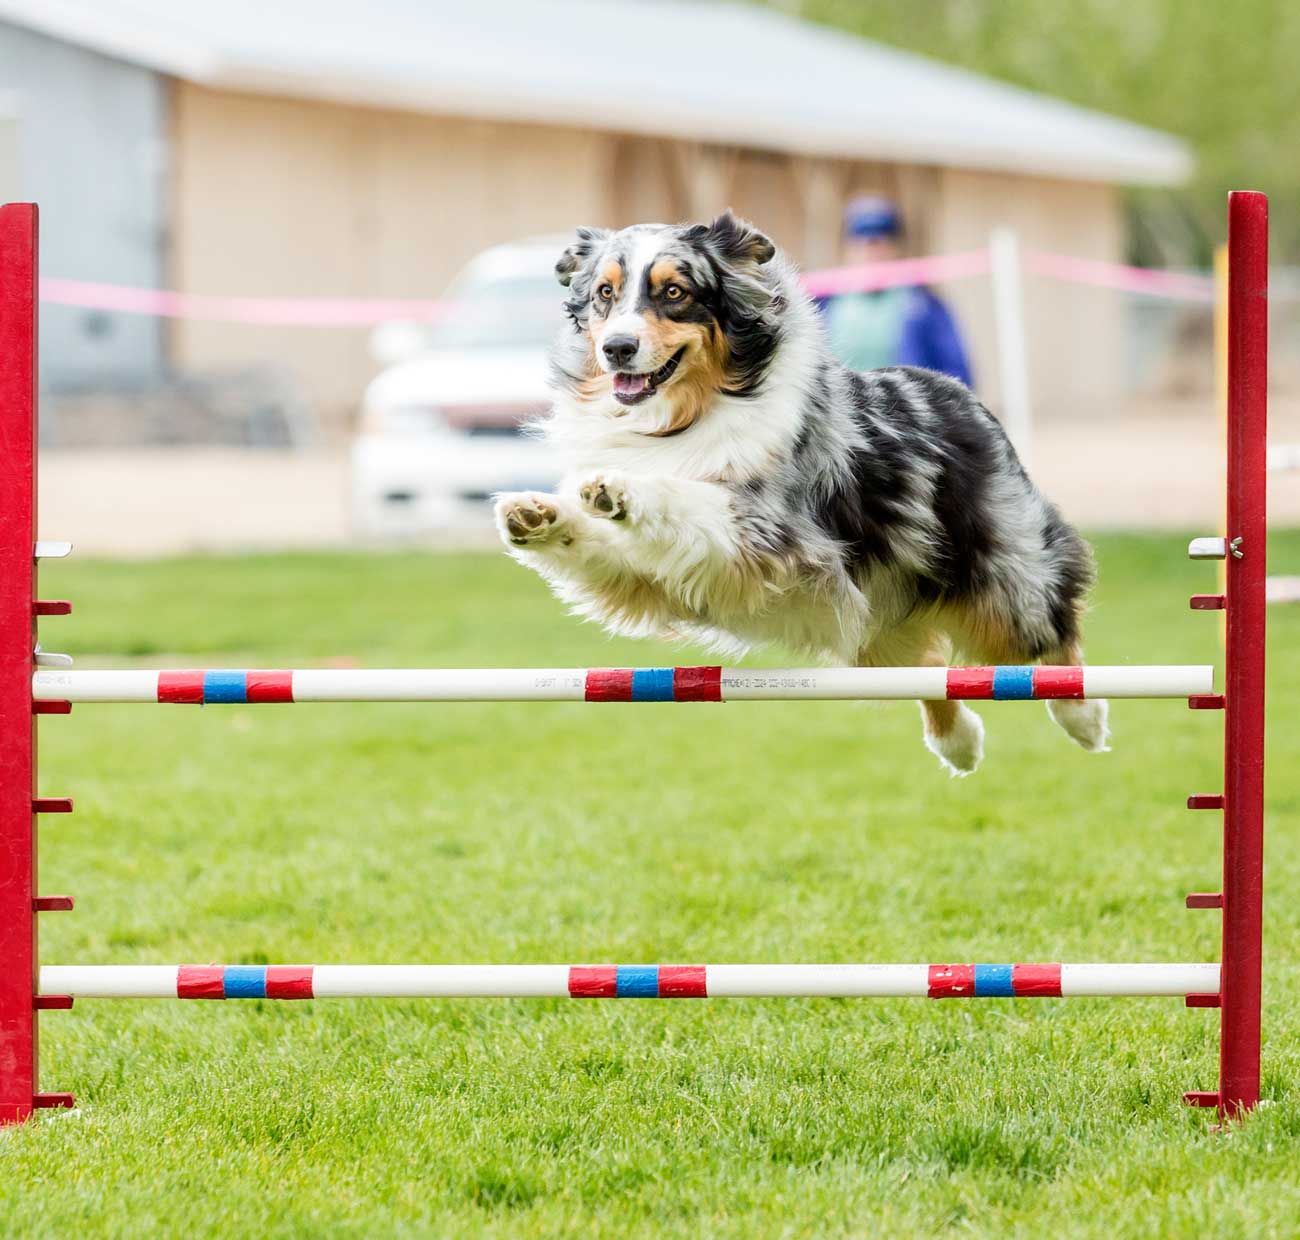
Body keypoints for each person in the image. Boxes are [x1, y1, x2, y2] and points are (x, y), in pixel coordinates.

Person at [819, 196, 973, 386]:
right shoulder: (822, 305)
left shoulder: (924, 308)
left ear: (897, 248)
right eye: (863, 243)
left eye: (881, 243)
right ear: (846, 248)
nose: (872, 253)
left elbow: (957, 377)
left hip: (903, 412)